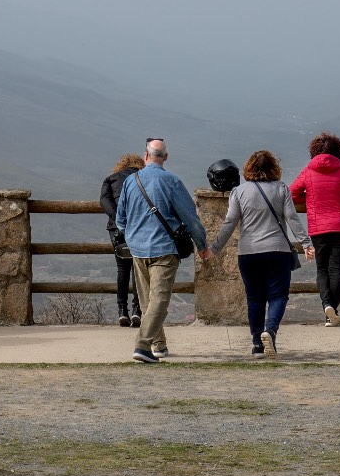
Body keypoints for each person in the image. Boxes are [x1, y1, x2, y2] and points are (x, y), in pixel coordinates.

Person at [112, 138, 210, 363]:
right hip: (164, 248)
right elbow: (191, 219)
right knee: (160, 300)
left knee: (148, 301)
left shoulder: (131, 181)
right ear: (165, 157)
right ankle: (142, 345)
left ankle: (159, 345)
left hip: (137, 249)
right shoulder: (171, 181)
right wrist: (202, 246)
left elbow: (120, 220)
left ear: (145, 156)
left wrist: (133, 236)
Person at [211, 150, 311, 359]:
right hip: (277, 251)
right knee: (279, 296)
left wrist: (215, 248)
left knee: (254, 298)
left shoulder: (238, 192)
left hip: (248, 253)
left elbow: (230, 222)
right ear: (274, 168)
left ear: (249, 168)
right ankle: (270, 331)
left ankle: (257, 344)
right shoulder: (281, 189)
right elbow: (292, 219)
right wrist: (306, 242)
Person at [290, 132, 340, 326]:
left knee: (321, 269)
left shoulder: (308, 172)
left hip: (319, 228)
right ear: (338, 151)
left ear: (313, 151)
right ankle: (332, 313)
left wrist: (309, 198)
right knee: (336, 269)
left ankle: (326, 304)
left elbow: (291, 194)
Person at [100, 153, 145, 327]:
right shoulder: (142, 179)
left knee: (122, 268)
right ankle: (137, 310)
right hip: (140, 227)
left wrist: (118, 218)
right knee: (138, 268)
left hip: (116, 229)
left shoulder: (111, 179)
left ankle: (121, 310)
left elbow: (104, 200)